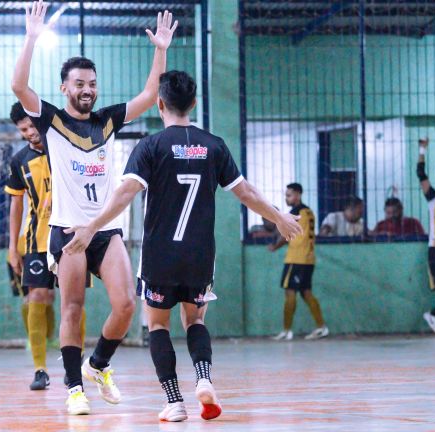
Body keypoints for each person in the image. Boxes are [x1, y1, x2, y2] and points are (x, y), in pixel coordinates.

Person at [62, 71, 303, 422]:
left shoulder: (151, 146)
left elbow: (125, 193)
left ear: (159, 104)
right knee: (195, 320)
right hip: (199, 255)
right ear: (193, 104)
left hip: (161, 254)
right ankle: (204, 379)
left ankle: (174, 401)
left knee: (158, 326)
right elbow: (245, 192)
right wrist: (278, 216)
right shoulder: (213, 145)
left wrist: (92, 226)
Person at [11, 0, 178, 415]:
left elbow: (150, 94)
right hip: (68, 232)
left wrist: (161, 49)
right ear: (64, 87)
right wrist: (31, 39)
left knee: (125, 305)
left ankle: (98, 365)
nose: (87, 89)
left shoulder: (106, 120)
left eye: (92, 83)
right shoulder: (50, 121)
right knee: (71, 308)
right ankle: (73, 388)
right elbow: (19, 87)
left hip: (105, 231)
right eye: (79, 83)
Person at [6, 102, 89, 390]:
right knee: (37, 296)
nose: (30, 133)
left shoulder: (66, 149)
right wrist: (12, 247)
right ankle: (40, 369)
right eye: (23, 129)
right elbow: (16, 205)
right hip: (36, 240)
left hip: (70, 236)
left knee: (72, 300)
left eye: (32, 126)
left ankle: (73, 365)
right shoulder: (19, 161)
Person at [268, 183, 329, 341]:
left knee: (289, 292)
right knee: (306, 292)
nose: (286, 198)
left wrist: (275, 246)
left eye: (289, 195)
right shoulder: (309, 212)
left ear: (298, 195)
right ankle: (321, 327)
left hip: (296, 258)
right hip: (309, 259)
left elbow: (286, 234)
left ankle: (287, 331)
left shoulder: (295, 213)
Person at [416, 137, 435, 335]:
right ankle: (432, 315)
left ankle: (433, 315)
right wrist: (421, 150)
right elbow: (420, 174)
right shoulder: (434, 198)